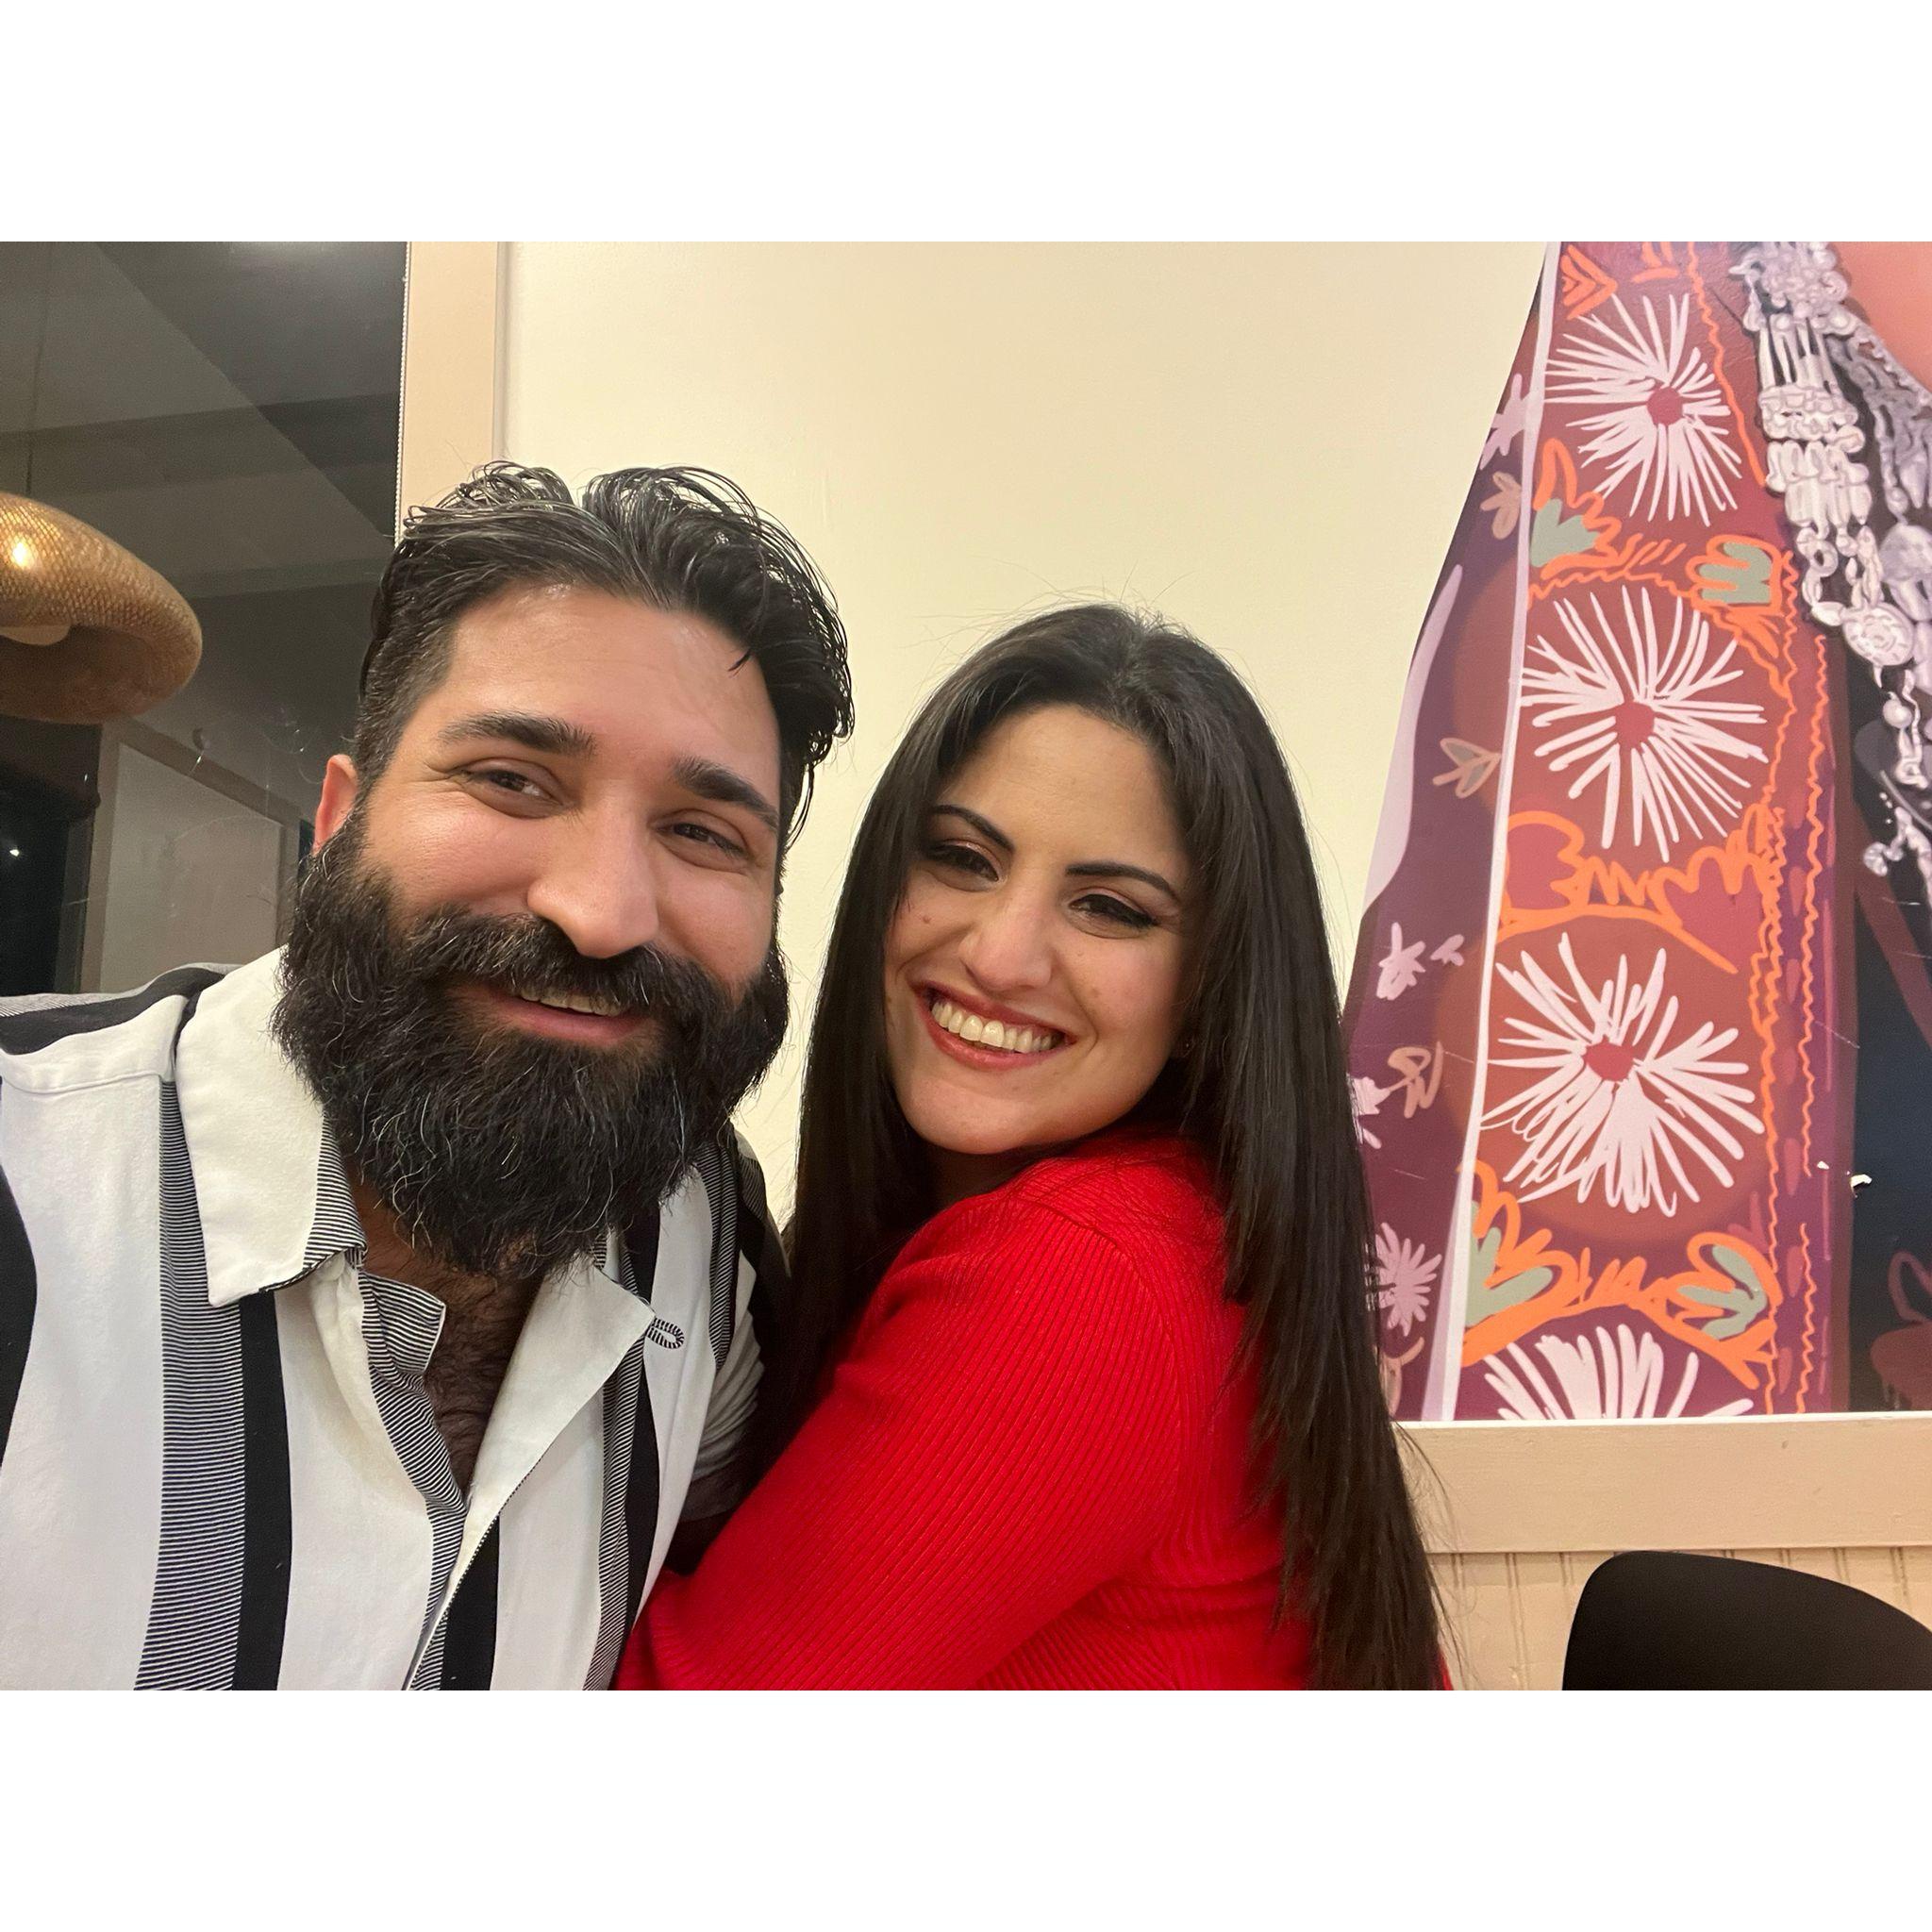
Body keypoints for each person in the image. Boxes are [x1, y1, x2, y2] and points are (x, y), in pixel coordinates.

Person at [0, 462, 852, 1689]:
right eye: (512, 780)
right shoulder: (27, 1180)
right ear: (338, 819)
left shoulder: (700, 1232)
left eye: (703, 833)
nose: (602, 911)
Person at [618, 603, 1442, 1689]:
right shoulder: (1176, 1227)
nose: (1002, 956)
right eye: (962, 858)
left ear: (1208, 991)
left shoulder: (1080, 1266)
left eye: (1108, 907)